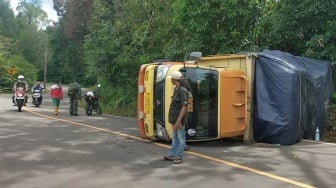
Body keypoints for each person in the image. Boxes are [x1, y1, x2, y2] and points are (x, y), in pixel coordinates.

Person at [162, 71, 189, 164]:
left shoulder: (182, 90)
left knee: (181, 138)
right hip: (174, 119)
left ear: (175, 79)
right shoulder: (176, 88)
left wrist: (179, 120)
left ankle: (179, 156)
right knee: (175, 137)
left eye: (171, 79)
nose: (171, 81)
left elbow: (184, 106)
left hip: (179, 120)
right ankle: (171, 155)